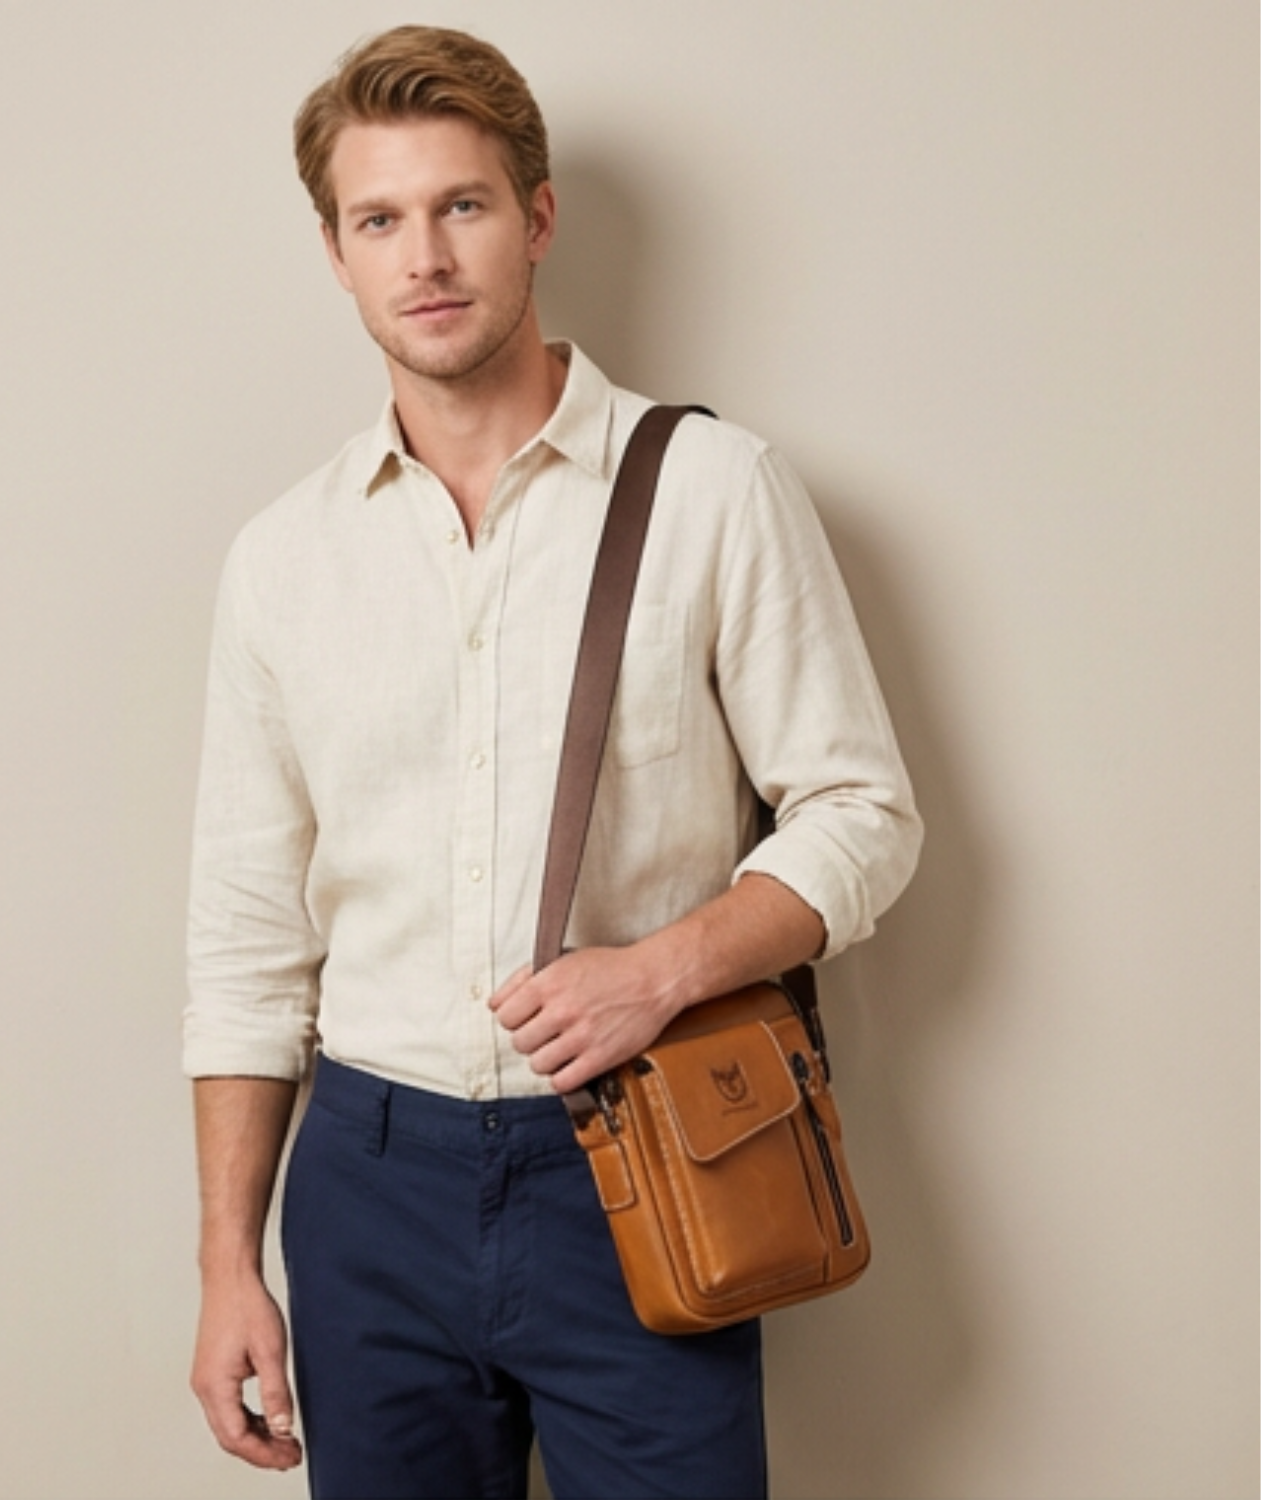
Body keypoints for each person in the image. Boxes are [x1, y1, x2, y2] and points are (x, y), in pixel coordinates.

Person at [184, 24, 921, 1500]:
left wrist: (661, 971)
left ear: (535, 217)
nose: (424, 257)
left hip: (646, 1152)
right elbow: (246, 942)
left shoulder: (715, 490)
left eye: (460, 205)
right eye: (378, 220)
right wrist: (226, 1267)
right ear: (335, 254)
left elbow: (863, 814)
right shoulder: (284, 561)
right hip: (368, 1187)